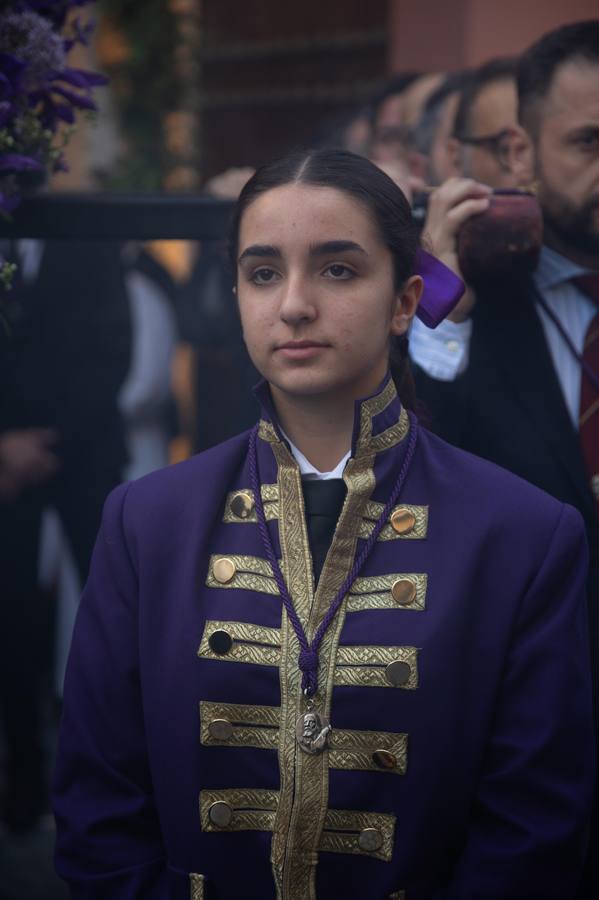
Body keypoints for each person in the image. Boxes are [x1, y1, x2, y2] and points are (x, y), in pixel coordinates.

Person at [53, 149, 593, 900]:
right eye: (263, 272)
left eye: (338, 269)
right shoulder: (148, 521)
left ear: (405, 301)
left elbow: (531, 829)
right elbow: (97, 801)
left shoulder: (523, 534)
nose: (294, 305)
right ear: (237, 292)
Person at [410, 21, 599, 897]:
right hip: (519, 767)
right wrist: (438, 302)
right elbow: (407, 476)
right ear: (518, 151)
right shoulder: (472, 309)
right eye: (589, 142)